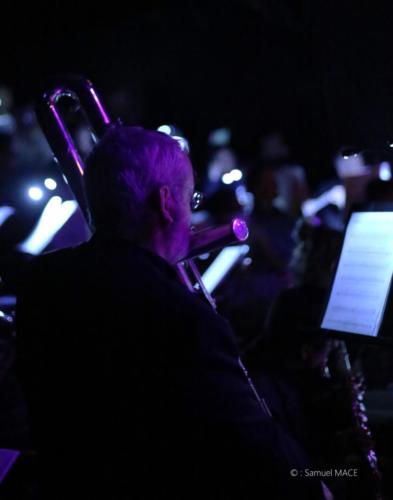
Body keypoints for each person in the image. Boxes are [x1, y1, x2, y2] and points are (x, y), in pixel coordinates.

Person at [16, 126, 325, 499]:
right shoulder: (184, 317)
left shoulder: (42, 282)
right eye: (189, 199)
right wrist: (318, 482)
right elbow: (253, 449)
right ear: (165, 202)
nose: (191, 214)